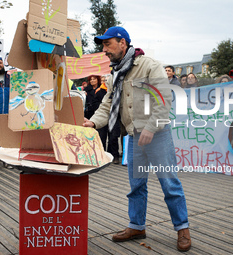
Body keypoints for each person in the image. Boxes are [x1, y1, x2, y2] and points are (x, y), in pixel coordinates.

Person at [83, 26, 191, 252]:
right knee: (137, 185)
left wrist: (151, 127)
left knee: (170, 184)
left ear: (123, 43)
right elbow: (108, 104)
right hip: (133, 136)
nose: (105, 49)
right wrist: (92, 122)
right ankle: (137, 226)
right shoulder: (115, 72)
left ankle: (182, 228)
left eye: (107, 44)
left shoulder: (150, 65)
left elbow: (164, 100)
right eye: (103, 45)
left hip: (157, 136)